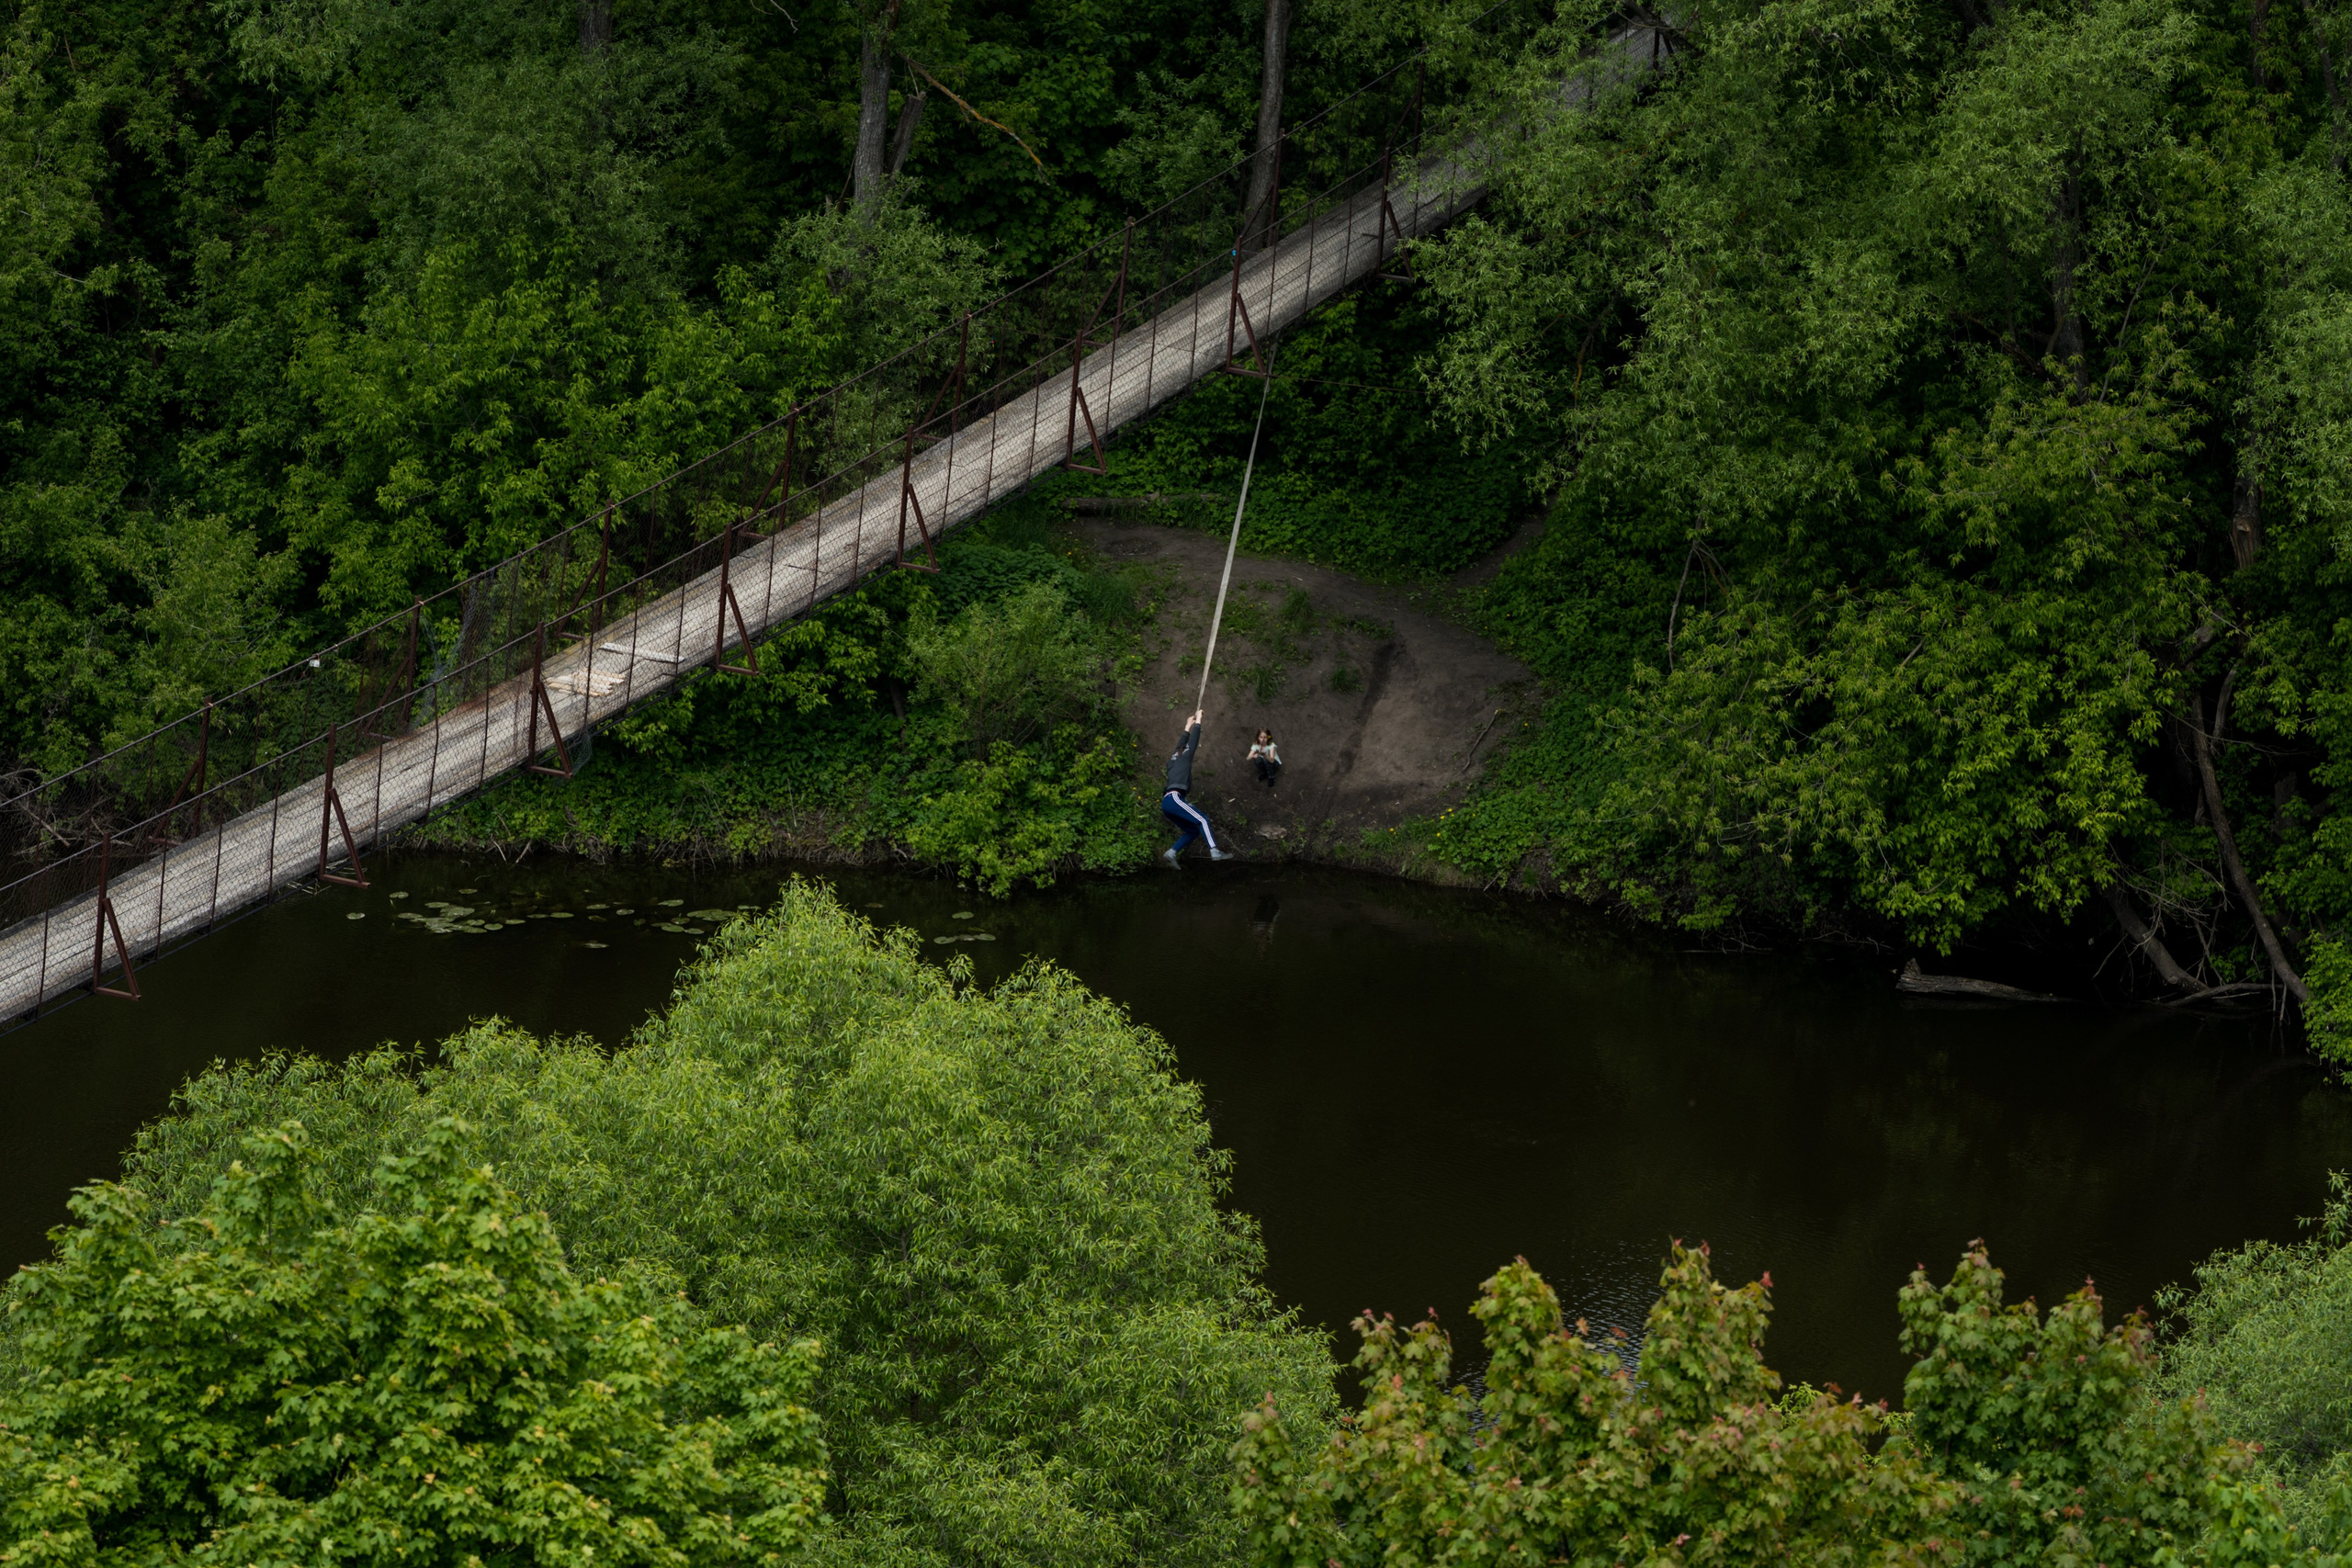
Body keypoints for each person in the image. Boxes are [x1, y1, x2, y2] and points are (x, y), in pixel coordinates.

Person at [1160, 709, 1231, 864]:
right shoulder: (1184, 759)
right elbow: (1193, 742)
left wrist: (1187, 725)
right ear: (1184, 752)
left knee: (1192, 831)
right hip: (1174, 798)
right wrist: (1198, 721)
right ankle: (1214, 851)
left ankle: (1171, 853)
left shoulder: (1173, 760)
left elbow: (1180, 745)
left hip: (1167, 803)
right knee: (1203, 820)